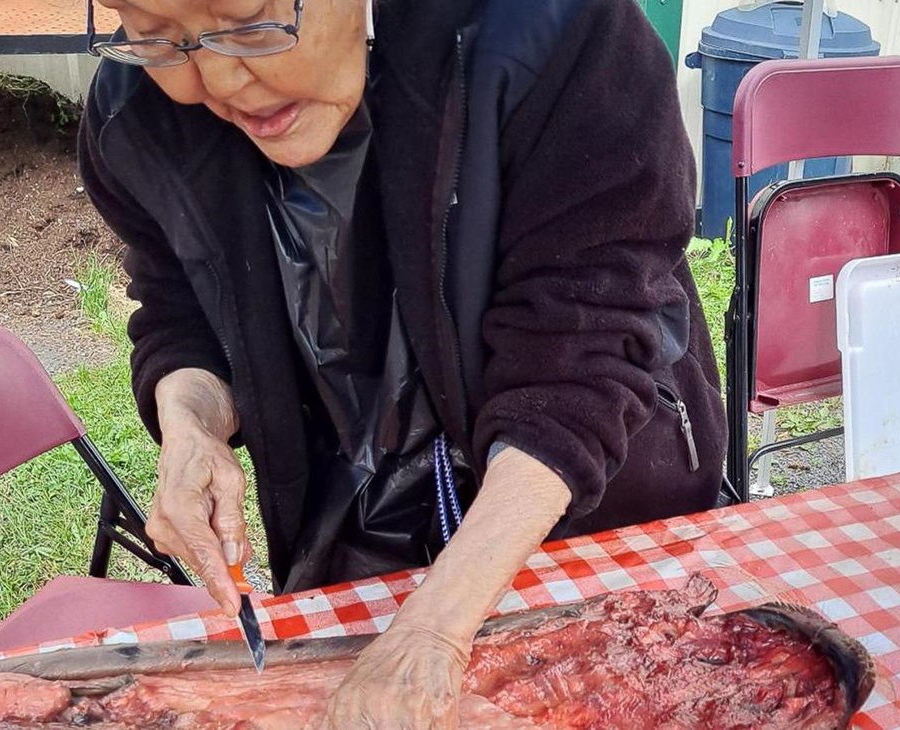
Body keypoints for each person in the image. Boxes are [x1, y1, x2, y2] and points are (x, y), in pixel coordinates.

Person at [78, 0, 727, 725]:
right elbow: (182, 311)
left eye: (249, 21)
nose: (221, 79)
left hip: (589, 512)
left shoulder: (560, 28)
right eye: (157, 35)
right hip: (352, 528)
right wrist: (190, 424)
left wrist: (432, 630)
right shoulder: (135, 117)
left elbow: (581, 356)